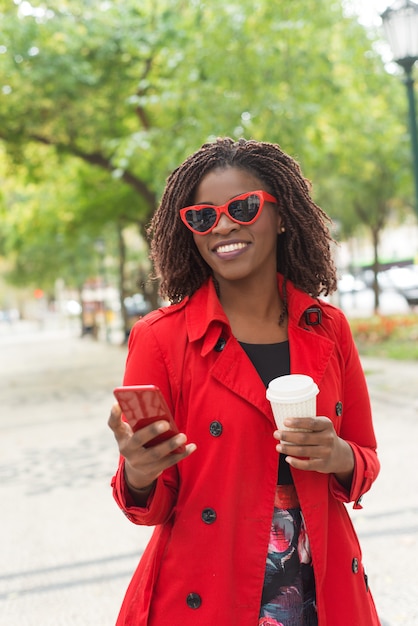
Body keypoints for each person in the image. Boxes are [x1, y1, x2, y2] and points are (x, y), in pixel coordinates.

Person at [108, 137, 381, 626]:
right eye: (203, 216)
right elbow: (151, 505)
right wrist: (139, 471)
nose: (225, 225)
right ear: (189, 231)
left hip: (322, 580)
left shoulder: (327, 327)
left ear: (280, 215)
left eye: (244, 206)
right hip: (208, 588)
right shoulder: (160, 339)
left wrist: (338, 457)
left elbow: (364, 459)